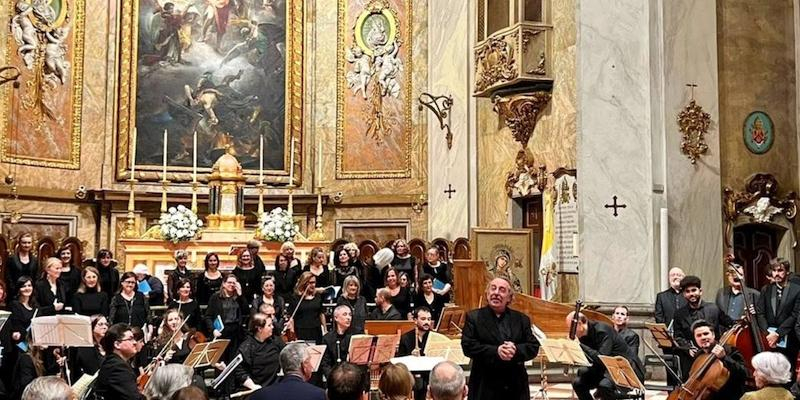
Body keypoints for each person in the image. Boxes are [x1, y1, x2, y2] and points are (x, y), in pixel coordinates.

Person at [461, 277, 539, 400]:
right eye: (493, 288)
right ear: (487, 294)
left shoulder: (521, 319)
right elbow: (468, 346)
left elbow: (533, 346)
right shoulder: (474, 317)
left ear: (509, 297)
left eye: (502, 290)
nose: (496, 293)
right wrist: (496, 351)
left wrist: (516, 350)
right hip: (485, 385)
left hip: (515, 387)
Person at [568, 311, 643, 400]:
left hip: (624, 369)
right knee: (578, 383)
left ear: (580, 324)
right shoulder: (583, 335)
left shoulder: (602, 331)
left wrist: (580, 345)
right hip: (604, 369)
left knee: (604, 385)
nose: (570, 331)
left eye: (571, 328)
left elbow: (602, 358)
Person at [757, 257, 800, 378]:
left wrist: (778, 334)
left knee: (787, 373)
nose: (776, 274)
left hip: (789, 338)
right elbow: (760, 313)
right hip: (769, 339)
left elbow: (795, 315)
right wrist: (768, 334)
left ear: (787, 272)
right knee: (771, 373)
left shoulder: (797, 290)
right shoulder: (766, 289)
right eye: (774, 271)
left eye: (780, 270)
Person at [686, 319, 746, 399]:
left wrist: (725, 358)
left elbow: (743, 373)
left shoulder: (730, 350)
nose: (703, 337)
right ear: (695, 339)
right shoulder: (699, 355)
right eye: (699, 335)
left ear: (713, 335)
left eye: (706, 334)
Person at [250, 342, 325, 400]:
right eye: (309, 361)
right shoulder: (320, 395)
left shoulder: (259, 396)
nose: (312, 366)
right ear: (304, 365)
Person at [235, 312, 285, 390]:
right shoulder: (246, 347)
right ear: (260, 329)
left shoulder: (276, 341)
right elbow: (240, 372)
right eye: (269, 325)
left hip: (275, 386)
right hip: (256, 388)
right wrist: (253, 386)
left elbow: (287, 356)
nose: (272, 327)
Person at [205, 273, 249, 362]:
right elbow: (208, 316)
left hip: (236, 333)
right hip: (222, 332)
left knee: (234, 360)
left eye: (234, 283)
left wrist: (240, 295)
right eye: (229, 282)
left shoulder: (238, 297)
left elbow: (246, 312)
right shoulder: (215, 297)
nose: (232, 285)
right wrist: (213, 330)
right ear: (224, 284)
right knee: (221, 361)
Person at [95, 323, 144, 400]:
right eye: (130, 339)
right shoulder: (117, 368)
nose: (135, 342)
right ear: (117, 344)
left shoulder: (113, 362)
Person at [397, 307, 434, 400]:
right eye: (423, 319)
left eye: (429, 319)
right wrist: (410, 356)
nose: (427, 322)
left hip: (430, 374)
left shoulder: (434, 337)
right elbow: (400, 362)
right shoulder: (406, 338)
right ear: (415, 320)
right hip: (413, 376)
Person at [286, 272, 326, 343]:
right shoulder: (295, 298)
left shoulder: (317, 297)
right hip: (301, 330)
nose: (313, 285)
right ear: (304, 283)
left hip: (316, 330)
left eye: (314, 282)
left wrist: (325, 330)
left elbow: (321, 314)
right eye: (310, 283)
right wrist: (292, 332)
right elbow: (291, 316)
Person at [320, 305, 356, 380]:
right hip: (334, 379)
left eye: (350, 314)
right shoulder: (327, 338)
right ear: (336, 318)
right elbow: (325, 364)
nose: (348, 318)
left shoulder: (355, 336)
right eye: (345, 314)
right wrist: (333, 379)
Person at [70, 315, 107, 380]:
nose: (105, 327)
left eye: (106, 324)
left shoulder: (106, 345)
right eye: (100, 324)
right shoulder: (86, 347)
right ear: (91, 326)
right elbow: (91, 370)